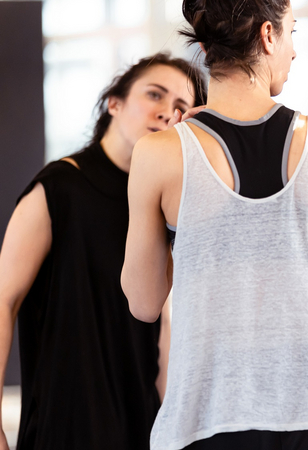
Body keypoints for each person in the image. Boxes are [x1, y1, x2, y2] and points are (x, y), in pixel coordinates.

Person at [120, 1, 308, 449]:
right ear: (268, 36)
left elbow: (143, 302)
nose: (294, 51)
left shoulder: (159, 154)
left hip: (204, 424)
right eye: (292, 32)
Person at [0, 53, 205, 450]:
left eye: (181, 106)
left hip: (139, 424)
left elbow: (160, 326)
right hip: (64, 426)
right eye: (155, 95)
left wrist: (172, 424)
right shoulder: (58, 187)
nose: (168, 112)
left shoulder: (162, 207)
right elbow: (3, 300)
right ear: (115, 102)